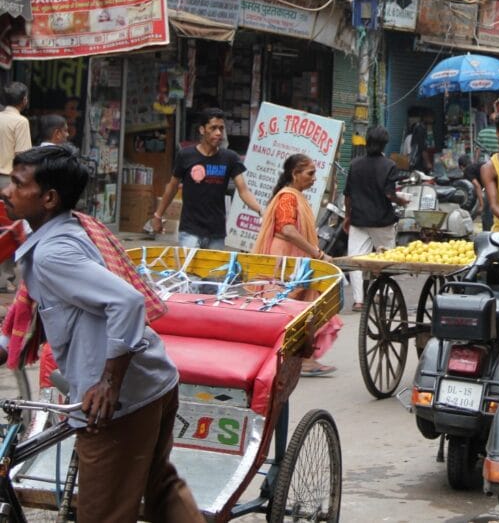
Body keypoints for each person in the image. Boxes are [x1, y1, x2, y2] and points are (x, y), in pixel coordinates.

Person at [0, 145, 203, 521]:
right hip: (154, 379)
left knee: (102, 513)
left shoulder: (53, 253)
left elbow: (127, 303)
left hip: (120, 402)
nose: (6, 192)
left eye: (17, 184)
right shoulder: (69, 228)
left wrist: (109, 382)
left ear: (48, 198)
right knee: (161, 487)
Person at [253, 153, 341, 376]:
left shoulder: (296, 196)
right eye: (310, 173)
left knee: (301, 309)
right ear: (295, 174)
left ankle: (302, 358)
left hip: (295, 259)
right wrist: (317, 254)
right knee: (291, 309)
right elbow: (287, 229)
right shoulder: (288, 197)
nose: (314, 178)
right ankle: (298, 359)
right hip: (285, 259)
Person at [153, 108, 262, 248]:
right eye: (213, 128)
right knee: (188, 270)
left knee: (215, 271)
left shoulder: (230, 158)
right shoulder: (186, 155)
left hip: (216, 233)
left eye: (221, 129)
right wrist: (158, 215)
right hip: (190, 231)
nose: (218, 133)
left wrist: (260, 210)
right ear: (202, 130)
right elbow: (172, 187)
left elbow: (243, 191)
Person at [344, 126, 408, 311]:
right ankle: (384, 294)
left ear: (366, 141)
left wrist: (347, 216)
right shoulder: (389, 165)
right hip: (382, 220)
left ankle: (358, 301)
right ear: (384, 144)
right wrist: (401, 200)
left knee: (356, 259)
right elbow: (390, 195)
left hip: (358, 220)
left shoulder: (355, 164)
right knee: (387, 255)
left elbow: (348, 194)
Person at [0, 82, 31, 290]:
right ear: (24, 100)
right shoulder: (20, 122)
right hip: (7, 179)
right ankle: (5, 277)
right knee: (10, 229)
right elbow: (22, 155)